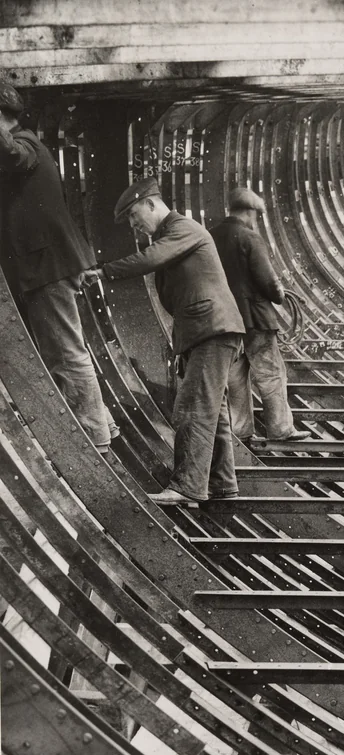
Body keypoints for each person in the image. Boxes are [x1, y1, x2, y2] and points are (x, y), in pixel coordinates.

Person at [82, 178, 244, 506]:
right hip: (208, 332)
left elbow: (149, 259)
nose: (133, 224)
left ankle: (186, 489)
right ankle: (222, 485)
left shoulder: (182, 228)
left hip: (211, 331)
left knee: (192, 409)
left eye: (133, 214)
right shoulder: (175, 234)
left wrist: (102, 272)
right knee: (214, 414)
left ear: (152, 204)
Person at [0, 82, 116, 452]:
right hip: (48, 265)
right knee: (68, 348)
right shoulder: (28, 147)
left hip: (46, 267)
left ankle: (94, 440)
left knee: (65, 353)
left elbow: (14, 155)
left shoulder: (27, 144)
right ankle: (105, 427)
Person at [209, 187, 311, 445]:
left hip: (224, 321)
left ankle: (241, 432)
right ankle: (280, 429)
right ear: (250, 212)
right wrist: (279, 295)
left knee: (235, 378)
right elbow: (267, 281)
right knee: (270, 373)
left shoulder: (211, 237)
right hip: (256, 320)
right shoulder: (250, 238)